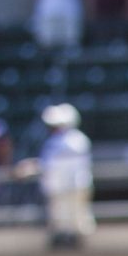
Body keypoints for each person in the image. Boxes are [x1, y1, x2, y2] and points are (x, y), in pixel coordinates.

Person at [36, 102, 93, 247]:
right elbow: (48, 165)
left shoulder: (77, 140)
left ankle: (77, 242)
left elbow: (53, 164)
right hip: (58, 188)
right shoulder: (54, 142)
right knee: (59, 219)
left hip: (74, 186)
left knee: (77, 219)